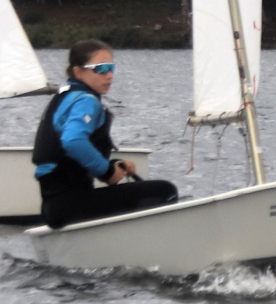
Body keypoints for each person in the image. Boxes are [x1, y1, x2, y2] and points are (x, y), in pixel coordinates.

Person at [32, 41, 179, 227]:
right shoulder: (86, 100)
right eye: (101, 69)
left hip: (53, 208)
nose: (109, 75)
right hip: (70, 204)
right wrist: (107, 171)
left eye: (111, 68)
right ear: (78, 72)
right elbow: (73, 141)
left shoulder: (66, 96)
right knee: (164, 190)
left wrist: (112, 165)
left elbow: (68, 156)